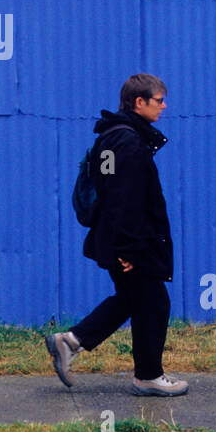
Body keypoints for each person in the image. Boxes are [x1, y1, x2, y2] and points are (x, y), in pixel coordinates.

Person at [46, 73, 188, 396]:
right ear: (139, 102)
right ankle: (148, 375)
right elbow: (123, 199)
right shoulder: (126, 141)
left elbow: (111, 192)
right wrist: (128, 249)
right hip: (128, 243)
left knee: (135, 299)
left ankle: (70, 342)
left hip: (118, 237)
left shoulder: (113, 137)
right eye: (159, 100)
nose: (164, 106)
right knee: (153, 301)